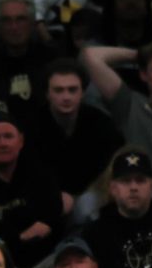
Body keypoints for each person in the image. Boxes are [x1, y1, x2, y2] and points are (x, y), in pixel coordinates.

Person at [30, 59, 123, 225]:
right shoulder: (33, 126)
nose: (66, 97)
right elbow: (30, 173)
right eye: (58, 90)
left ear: (82, 92)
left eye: (72, 90)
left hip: (94, 195)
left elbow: (114, 164)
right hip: (47, 198)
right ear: (47, 94)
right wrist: (54, 194)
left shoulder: (101, 123)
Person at [0, 111, 63, 268]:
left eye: (8, 136)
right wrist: (20, 237)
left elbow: (52, 217)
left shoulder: (41, 173)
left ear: (21, 141)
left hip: (45, 259)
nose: (2, 143)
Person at [82, 40, 152, 184]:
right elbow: (91, 55)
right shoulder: (129, 104)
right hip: (146, 194)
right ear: (144, 74)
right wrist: (142, 55)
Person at [83, 148, 152, 268]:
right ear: (113, 188)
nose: (133, 187)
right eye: (126, 181)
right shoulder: (95, 233)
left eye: (140, 180)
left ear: (151, 185)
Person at [0, 0, 58, 127]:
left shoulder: (53, 61)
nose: (14, 27)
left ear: (32, 23)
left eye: (21, 19)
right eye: (6, 20)